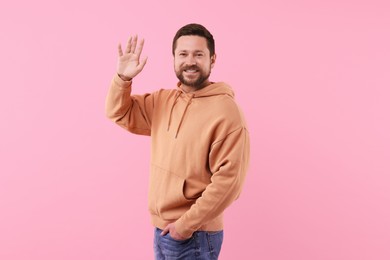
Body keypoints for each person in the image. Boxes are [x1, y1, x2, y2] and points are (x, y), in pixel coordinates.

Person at [105, 23, 250, 260]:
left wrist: (185, 226)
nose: (190, 61)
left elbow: (230, 183)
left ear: (212, 60)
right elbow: (118, 112)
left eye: (198, 54)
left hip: (195, 234)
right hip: (162, 230)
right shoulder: (164, 100)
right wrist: (123, 78)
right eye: (183, 54)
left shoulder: (227, 112)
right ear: (174, 58)